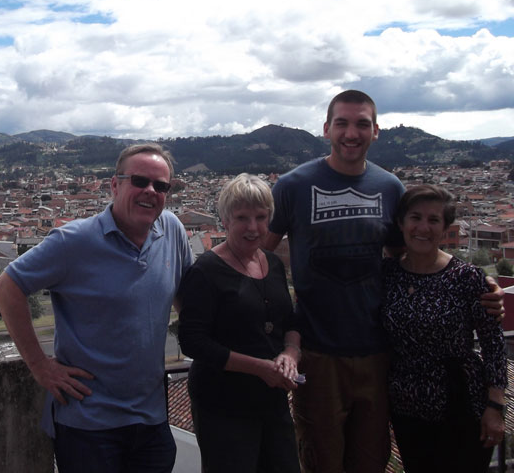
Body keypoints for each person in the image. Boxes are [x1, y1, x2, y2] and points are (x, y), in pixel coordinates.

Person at [264, 89, 505, 473]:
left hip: (380, 355)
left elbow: (410, 257)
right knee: (321, 460)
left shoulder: (391, 187)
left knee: (371, 462)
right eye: (341, 122)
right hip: (318, 352)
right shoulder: (292, 186)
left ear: (376, 131)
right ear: (326, 128)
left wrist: (475, 282)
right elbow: (261, 259)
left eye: (362, 124)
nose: (351, 132)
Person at [0, 143, 193, 473]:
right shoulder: (73, 241)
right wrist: (39, 365)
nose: (150, 191)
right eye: (139, 181)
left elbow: (185, 298)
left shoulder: (171, 229)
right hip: (89, 424)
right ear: (115, 185)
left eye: (161, 186)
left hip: (152, 419)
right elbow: (7, 287)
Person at [178, 174, 301, 473]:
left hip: (271, 399)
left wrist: (290, 354)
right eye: (242, 217)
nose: (253, 227)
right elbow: (193, 341)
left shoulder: (271, 263)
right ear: (225, 220)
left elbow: (289, 319)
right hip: (223, 404)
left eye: (261, 217)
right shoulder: (206, 271)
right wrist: (260, 367)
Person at [382, 184, 506, 473]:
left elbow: (493, 344)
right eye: (415, 218)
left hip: (460, 404)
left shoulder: (467, 277)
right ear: (401, 224)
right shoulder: (388, 274)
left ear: (445, 227)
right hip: (406, 410)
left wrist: (495, 406)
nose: (423, 227)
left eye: (434, 220)